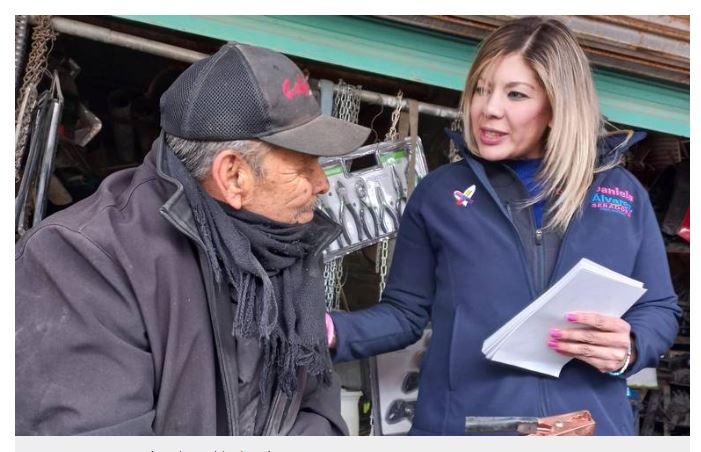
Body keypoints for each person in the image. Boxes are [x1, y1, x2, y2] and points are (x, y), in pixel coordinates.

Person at [327, 17, 680, 435]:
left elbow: (660, 308)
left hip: (587, 430)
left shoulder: (621, 194)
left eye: (515, 94)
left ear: (557, 107)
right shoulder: (440, 194)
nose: (489, 109)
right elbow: (404, 315)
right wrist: (329, 330)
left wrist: (631, 347)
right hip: (464, 430)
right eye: (481, 89)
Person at [15, 42, 370, 435]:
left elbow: (316, 407)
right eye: (304, 166)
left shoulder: (285, 250)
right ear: (233, 176)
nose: (322, 184)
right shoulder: (81, 263)